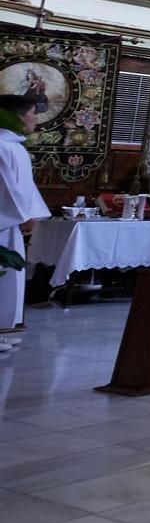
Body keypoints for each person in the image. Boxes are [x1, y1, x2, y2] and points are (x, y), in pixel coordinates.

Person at [0, 94, 46, 348]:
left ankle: (3, 327)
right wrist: (24, 214)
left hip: (11, 224)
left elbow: (25, 187)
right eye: (33, 113)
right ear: (17, 116)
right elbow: (7, 188)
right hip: (4, 222)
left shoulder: (15, 146)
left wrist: (32, 213)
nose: (36, 119)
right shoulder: (2, 146)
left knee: (9, 280)